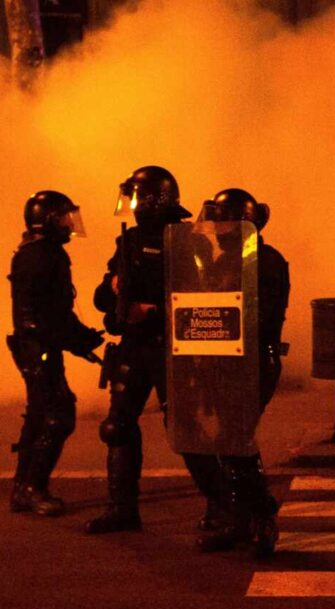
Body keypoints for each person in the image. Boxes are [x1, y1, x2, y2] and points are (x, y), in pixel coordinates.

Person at [85, 165, 205, 534]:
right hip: (135, 347)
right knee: (117, 426)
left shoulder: (187, 241)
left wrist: (151, 311)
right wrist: (116, 288)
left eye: (137, 197)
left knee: (185, 430)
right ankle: (121, 508)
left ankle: (222, 508)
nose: (132, 204)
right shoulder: (131, 241)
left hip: (173, 348)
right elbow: (102, 298)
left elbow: (206, 302)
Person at [194, 188, 290, 556]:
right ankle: (241, 520)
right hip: (221, 361)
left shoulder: (266, 261)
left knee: (236, 439)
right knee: (227, 443)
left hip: (252, 363)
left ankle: (262, 517)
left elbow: (260, 318)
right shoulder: (223, 262)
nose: (215, 227)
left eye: (221, 220)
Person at [7, 191, 104, 516]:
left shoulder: (35, 252)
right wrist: (80, 341)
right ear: (48, 220)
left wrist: (80, 340)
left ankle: (23, 488)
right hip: (39, 347)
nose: (69, 224)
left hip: (35, 346)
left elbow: (54, 312)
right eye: (63, 217)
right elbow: (53, 315)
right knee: (58, 414)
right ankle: (33, 488)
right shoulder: (44, 255)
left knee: (39, 413)